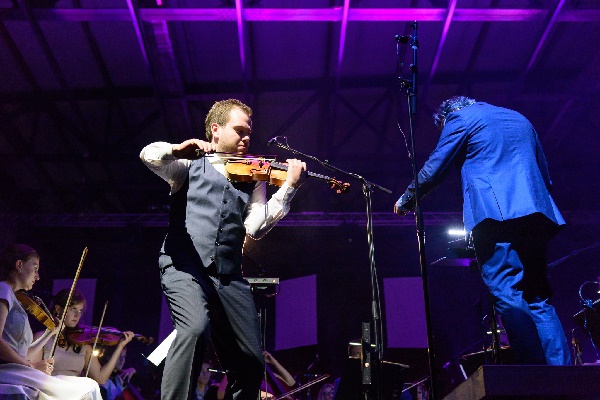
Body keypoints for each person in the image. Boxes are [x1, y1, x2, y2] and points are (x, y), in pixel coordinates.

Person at [140, 98, 306, 400]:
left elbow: (255, 226)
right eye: (239, 131)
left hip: (228, 275)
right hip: (184, 265)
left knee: (252, 361)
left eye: (248, 134)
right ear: (215, 129)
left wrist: (288, 189)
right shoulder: (188, 165)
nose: (246, 138)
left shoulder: (253, 174)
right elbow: (148, 155)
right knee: (193, 330)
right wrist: (176, 149)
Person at [394, 96, 571, 365]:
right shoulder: (517, 116)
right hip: (536, 212)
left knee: (507, 291)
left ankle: (534, 374)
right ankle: (562, 375)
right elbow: (545, 175)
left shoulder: (459, 118)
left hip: (494, 215)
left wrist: (406, 199)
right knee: (538, 296)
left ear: (446, 117)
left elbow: (435, 168)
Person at [0, 243, 103, 399]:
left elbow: (23, 353)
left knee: (88, 386)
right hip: (10, 371)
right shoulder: (3, 289)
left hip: (18, 370)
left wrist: (51, 333)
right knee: (86, 388)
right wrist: (31, 366)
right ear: (19, 265)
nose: (38, 276)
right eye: (35, 268)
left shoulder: (13, 297)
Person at [29, 288, 135, 385]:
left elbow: (101, 379)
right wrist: (50, 333)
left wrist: (120, 346)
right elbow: (31, 372)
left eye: (80, 310)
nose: (77, 315)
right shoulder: (42, 337)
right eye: (73, 309)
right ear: (58, 309)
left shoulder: (82, 344)